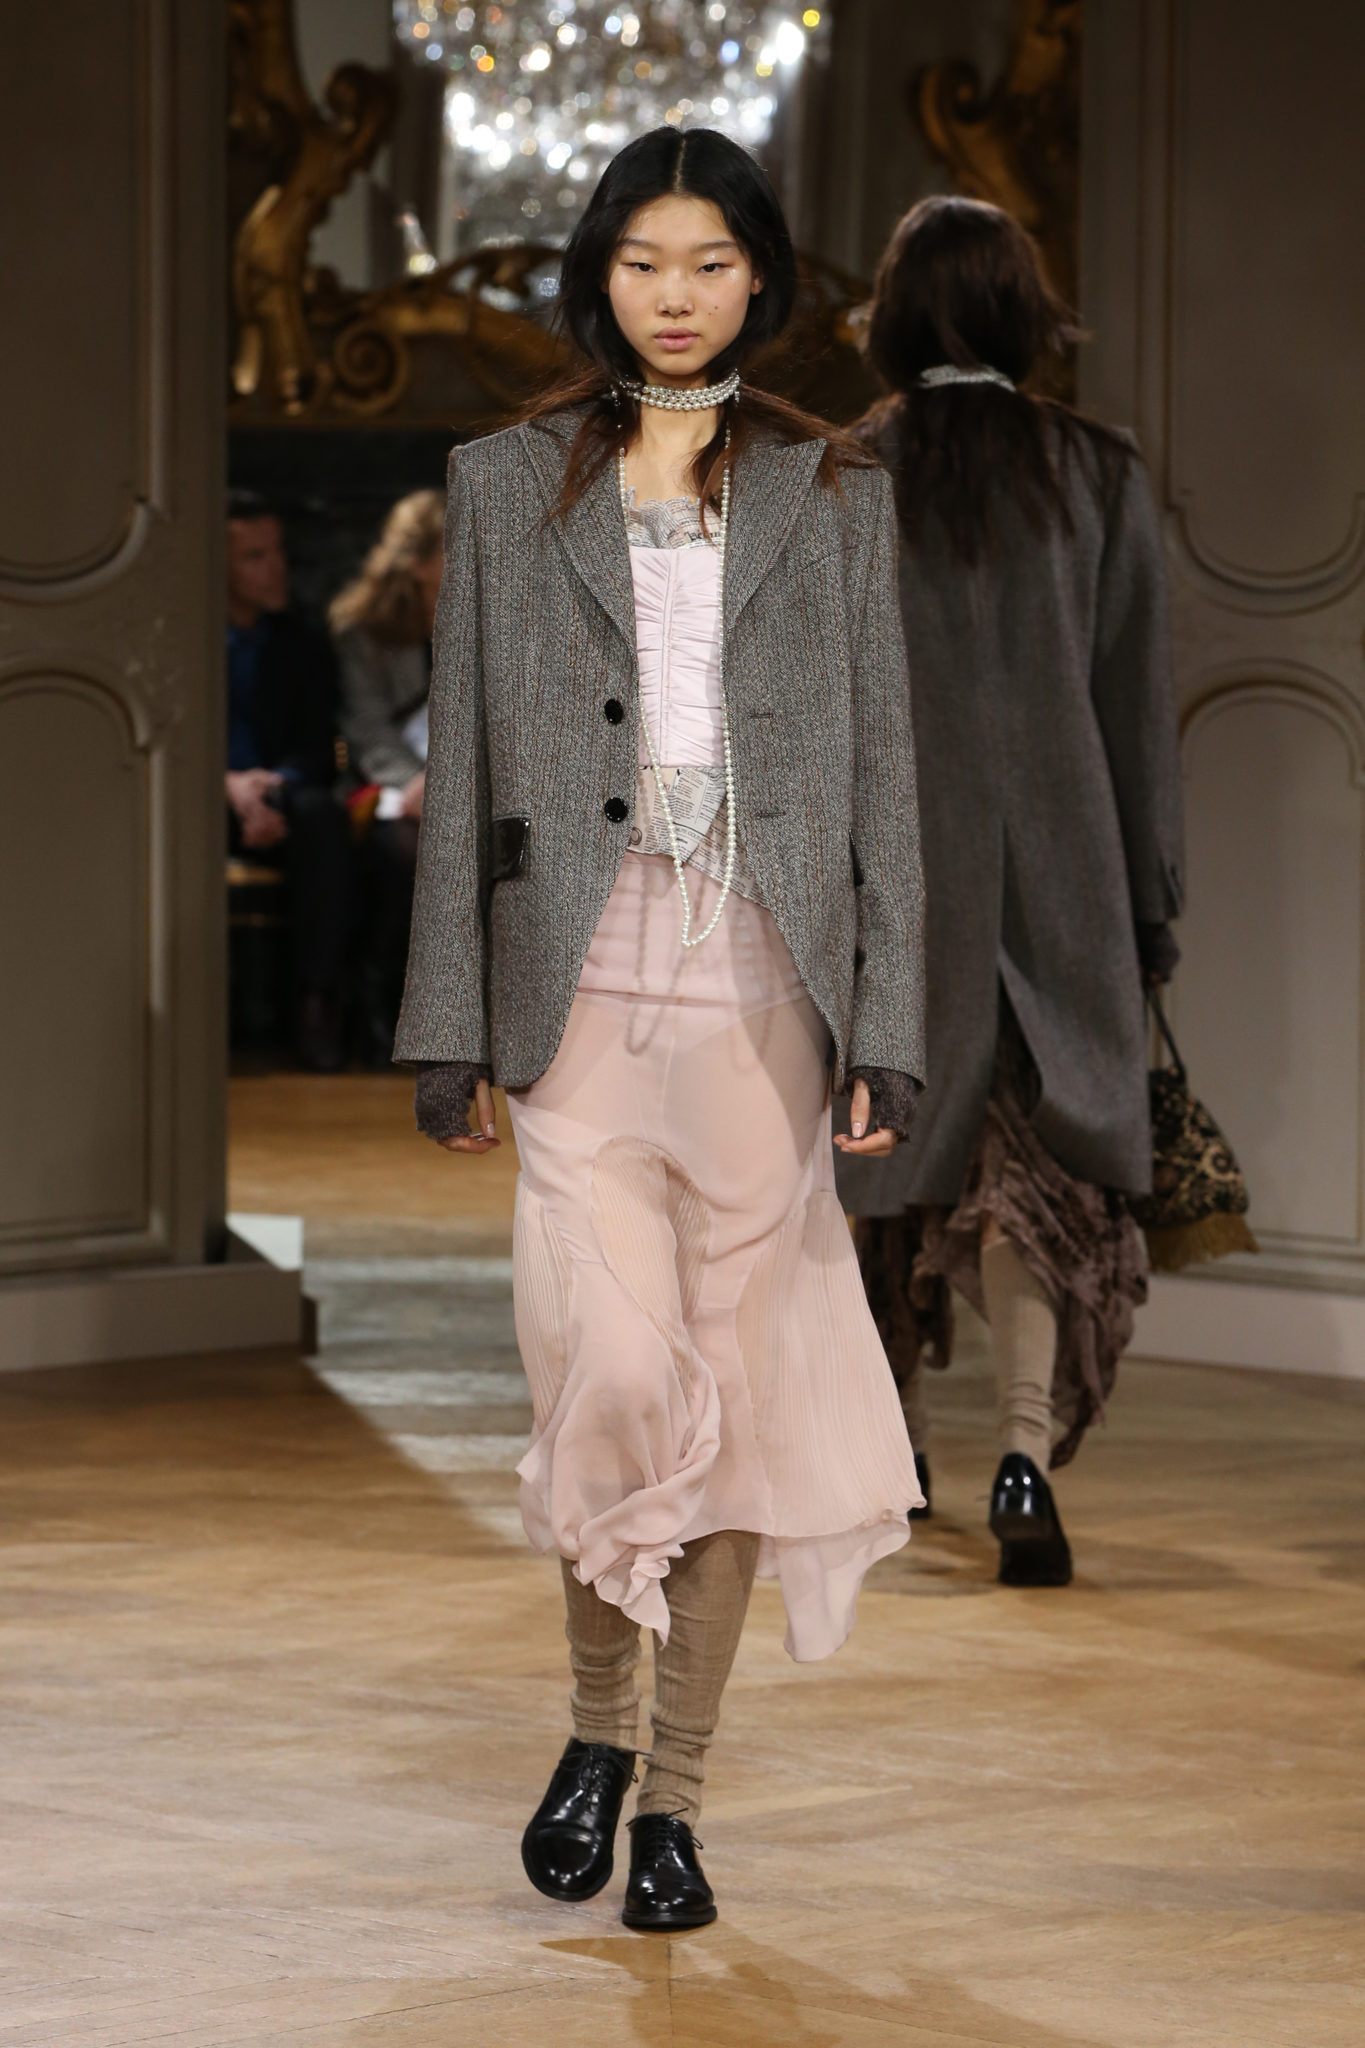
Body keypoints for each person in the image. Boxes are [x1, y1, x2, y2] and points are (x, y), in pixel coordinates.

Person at [393, 128, 927, 1930]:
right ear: (598, 274)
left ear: (760, 276)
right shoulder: (499, 482)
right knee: (608, 1376)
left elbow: (886, 780)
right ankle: (592, 1729)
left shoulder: (836, 489)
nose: (675, 297)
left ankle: (673, 1799)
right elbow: (466, 759)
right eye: (642, 262)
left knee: (739, 1403)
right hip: (582, 995)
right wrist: (446, 1023)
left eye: (708, 263)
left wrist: (890, 1022)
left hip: (769, 999)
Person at [834, 196, 1184, 1588]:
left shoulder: (841, 474)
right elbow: (1135, 706)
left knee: (878, 1155)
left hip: (890, 871)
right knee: (1027, 1173)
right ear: (1025, 309)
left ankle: (893, 1445)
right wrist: (1151, 896)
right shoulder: (1096, 471)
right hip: (1064, 872)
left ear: (894, 312)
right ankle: (1023, 1448)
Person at [225, 490, 351, 1071]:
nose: (275, 568)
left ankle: (315, 1003)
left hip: (280, 792)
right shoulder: (180, 637)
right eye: (254, 557)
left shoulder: (299, 642)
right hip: (198, 794)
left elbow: (320, 746)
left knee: (324, 817)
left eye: (277, 552)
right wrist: (227, 784)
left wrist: (271, 785)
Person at [330, 490, 446, 1063]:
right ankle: (384, 1006)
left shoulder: (492, 618)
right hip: (388, 787)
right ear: (420, 562)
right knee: (407, 850)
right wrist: (416, 784)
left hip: (459, 785)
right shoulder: (363, 630)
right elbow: (367, 730)